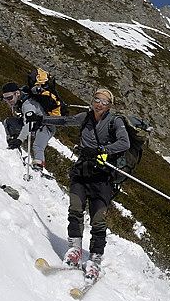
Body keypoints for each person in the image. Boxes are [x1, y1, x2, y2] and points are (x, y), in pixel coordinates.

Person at [29, 88, 129, 281]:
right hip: (81, 172)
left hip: (103, 177)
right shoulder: (85, 117)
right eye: (96, 99)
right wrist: (42, 120)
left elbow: (124, 143)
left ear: (110, 105)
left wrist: (102, 150)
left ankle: (95, 259)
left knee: (98, 219)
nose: (99, 104)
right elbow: (65, 121)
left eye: (104, 101)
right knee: (75, 209)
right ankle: (74, 250)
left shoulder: (115, 122)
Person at [0, 80, 57, 172]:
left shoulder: (28, 105)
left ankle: (38, 166)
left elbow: (28, 124)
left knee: (38, 146)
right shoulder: (20, 99)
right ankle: (13, 145)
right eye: (5, 99)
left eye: (9, 98)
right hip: (33, 124)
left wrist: (20, 140)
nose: (8, 101)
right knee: (8, 122)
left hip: (45, 127)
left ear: (17, 93)